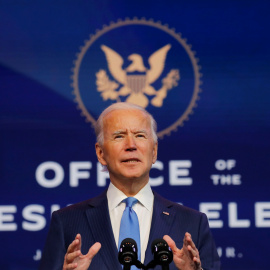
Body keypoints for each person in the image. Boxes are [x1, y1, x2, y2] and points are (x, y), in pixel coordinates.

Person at [39, 102, 220, 270]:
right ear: (101, 153)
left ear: (154, 151)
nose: (131, 145)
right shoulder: (67, 223)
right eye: (119, 136)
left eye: (140, 135)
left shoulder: (193, 223)